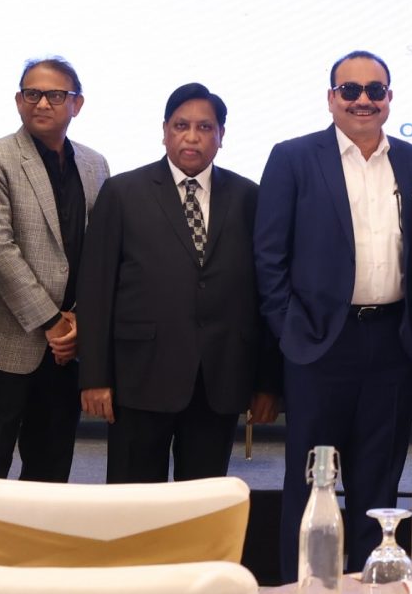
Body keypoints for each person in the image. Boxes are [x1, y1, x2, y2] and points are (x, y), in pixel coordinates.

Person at [256, 52, 412, 578]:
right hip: (319, 344)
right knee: (312, 484)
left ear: (389, 98)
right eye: (350, 90)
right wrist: (291, 331)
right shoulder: (293, 157)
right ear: (331, 98)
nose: (363, 100)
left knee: (379, 486)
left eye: (374, 90)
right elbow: (268, 256)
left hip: (392, 343)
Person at [74, 84, 277, 481]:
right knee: (133, 501)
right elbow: (96, 290)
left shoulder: (249, 198)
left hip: (219, 380)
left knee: (201, 503)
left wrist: (267, 383)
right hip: (139, 377)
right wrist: (95, 377)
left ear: (221, 135)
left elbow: (264, 294)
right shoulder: (123, 193)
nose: (192, 136)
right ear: (165, 131)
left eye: (205, 127)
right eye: (181, 126)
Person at [0, 55, 109, 483]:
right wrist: (52, 322)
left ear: (77, 104)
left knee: (50, 472)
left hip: (68, 347)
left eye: (55, 95)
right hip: (9, 343)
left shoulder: (95, 165)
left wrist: (80, 321)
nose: (42, 103)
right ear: (19, 101)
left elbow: (102, 252)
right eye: (32, 94)